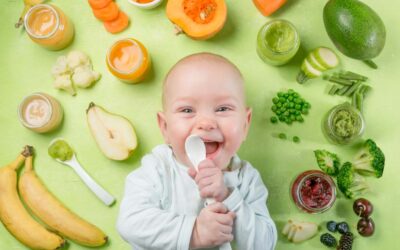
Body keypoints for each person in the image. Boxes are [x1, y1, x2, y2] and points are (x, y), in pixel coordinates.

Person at [117, 52, 277, 250]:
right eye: (187, 110)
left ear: (245, 124)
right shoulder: (157, 168)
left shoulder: (247, 180)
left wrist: (227, 196)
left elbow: (265, 244)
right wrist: (194, 233)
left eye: (222, 109)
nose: (206, 123)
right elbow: (130, 223)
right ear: (165, 128)